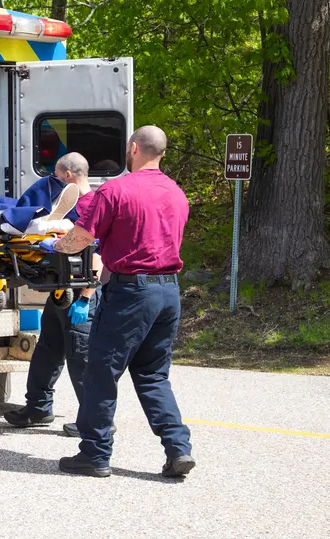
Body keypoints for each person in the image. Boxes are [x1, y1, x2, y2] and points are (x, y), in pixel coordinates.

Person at [42, 125, 195, 479]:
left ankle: (95, 454)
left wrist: (52, 247)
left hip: (131, 292)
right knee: (154, 376)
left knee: (101, 372)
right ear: (162, 153)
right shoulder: (176, 193)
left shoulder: (115, 190)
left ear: (134, 148)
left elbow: (82, 236)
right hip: (169, 292)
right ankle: (178, 449)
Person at [3, 153, 109, 438]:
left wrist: (86, 297)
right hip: (61, 290)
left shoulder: (93, 207)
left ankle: (95, 420)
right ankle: (38, 408)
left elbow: (100, 255)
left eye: (57, 176)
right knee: (47, 349)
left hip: (79, 291)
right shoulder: (81, 205)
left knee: (81, 357)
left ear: (68, 177)